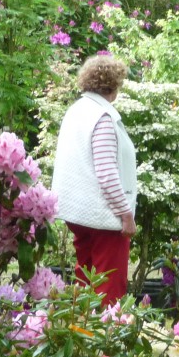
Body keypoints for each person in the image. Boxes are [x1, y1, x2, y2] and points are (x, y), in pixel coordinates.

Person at [52, 55, 136, 305]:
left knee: (85, 281)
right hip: (104, 218)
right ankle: (106, 341)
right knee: (109, 288)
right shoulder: (102, 116)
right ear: (115, 86)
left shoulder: (76, 111)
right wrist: (126, 214)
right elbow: (107, 173)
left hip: (77, 215)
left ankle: (81, 337)